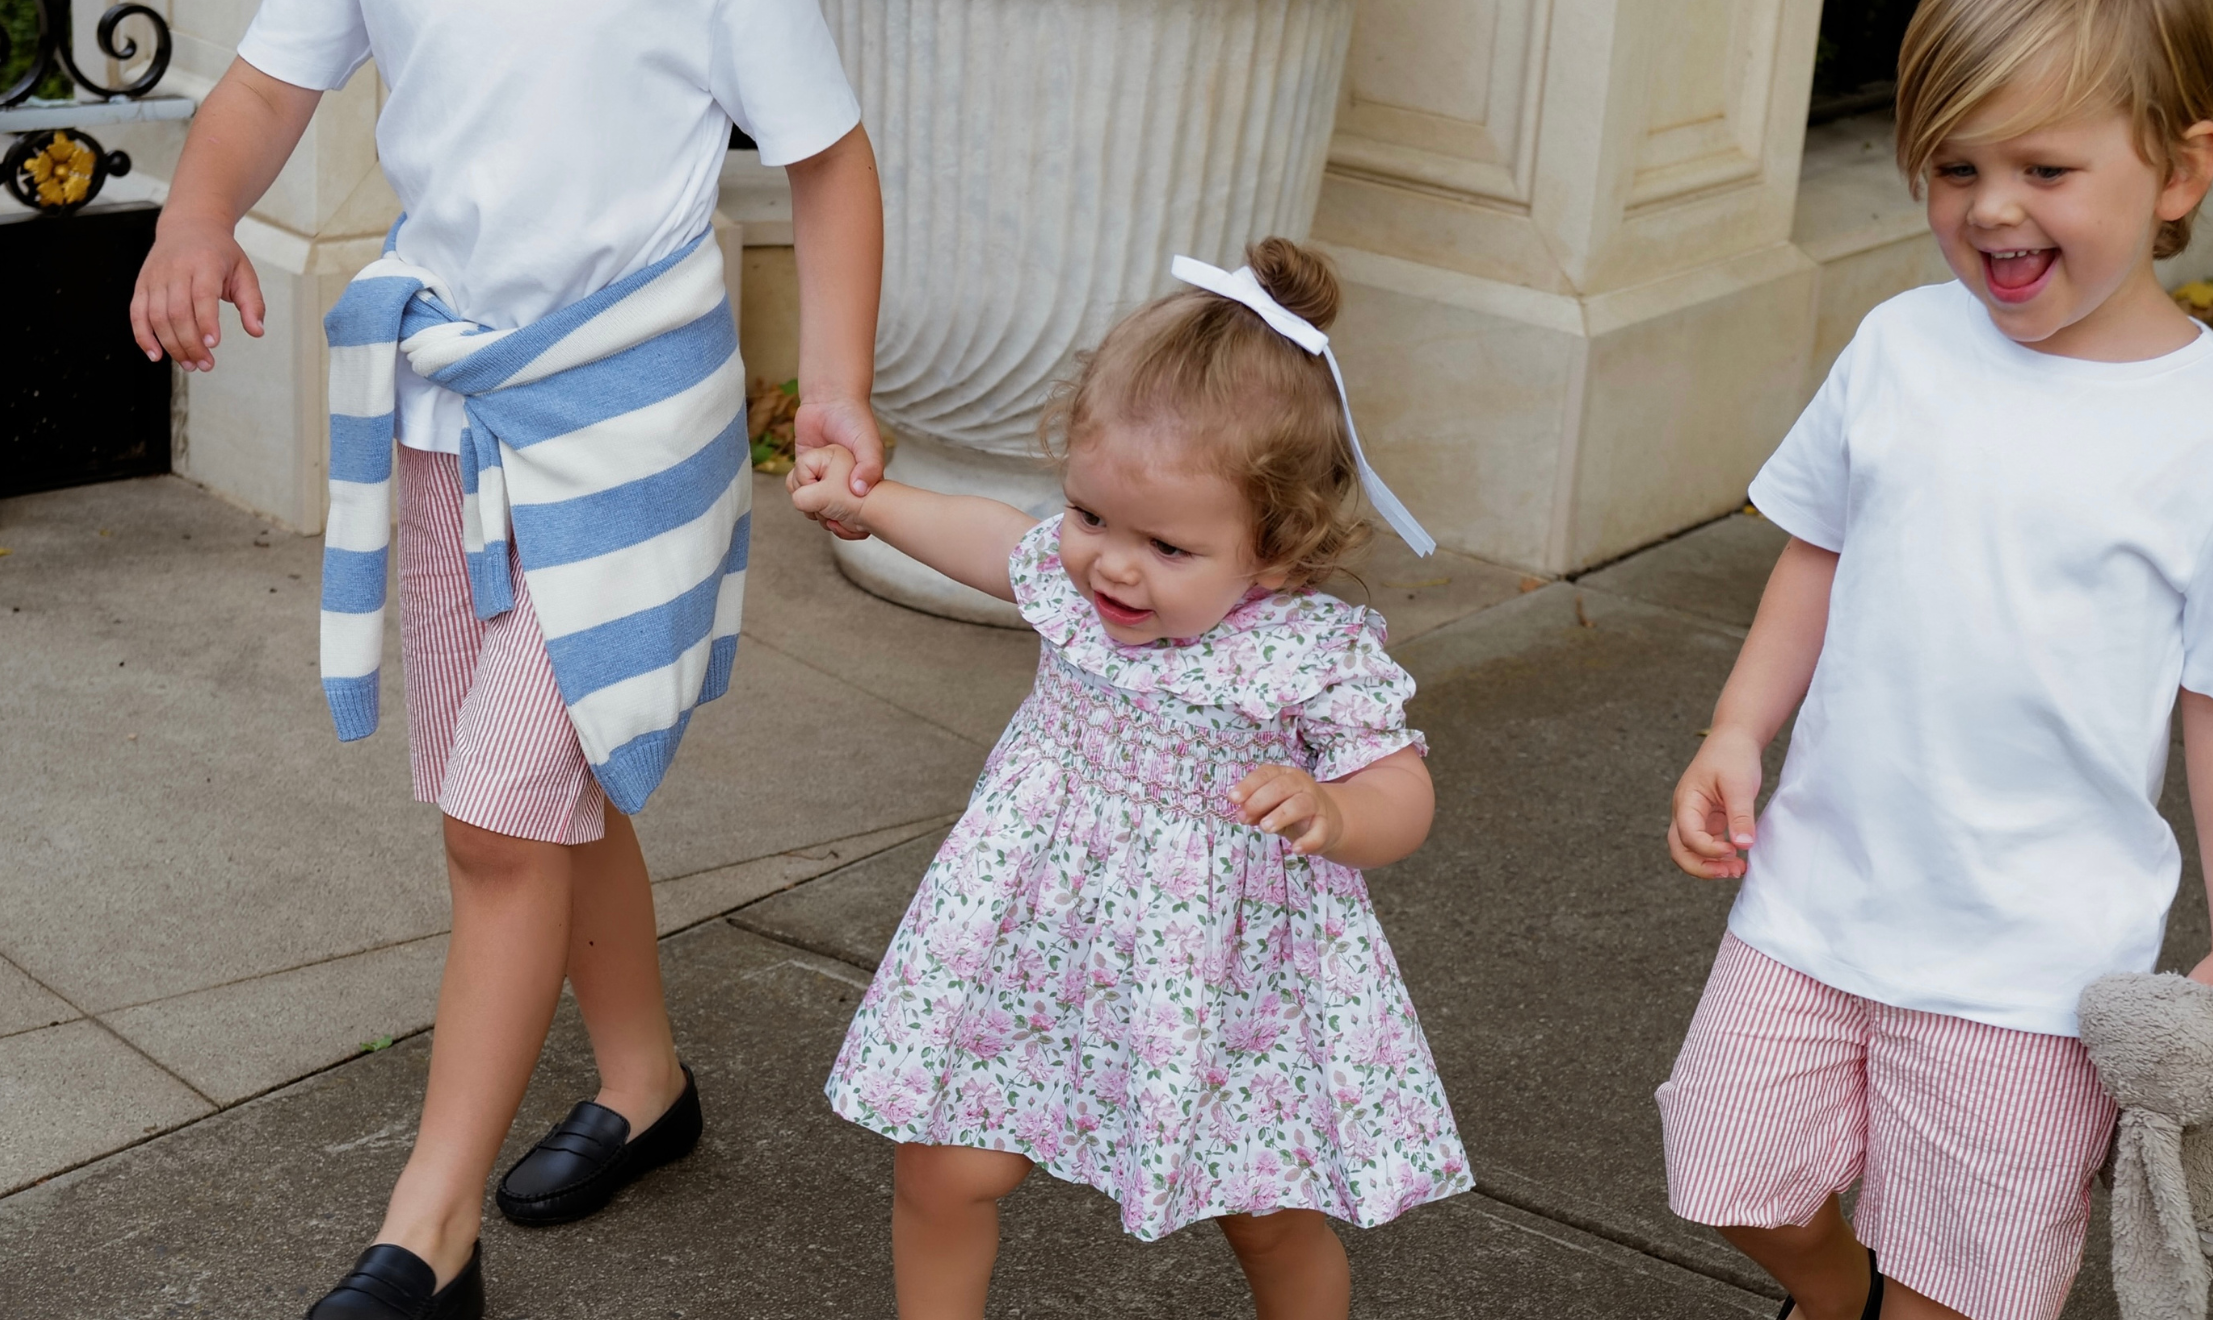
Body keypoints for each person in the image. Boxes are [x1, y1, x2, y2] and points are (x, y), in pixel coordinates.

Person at [126, 4, 884, 1317]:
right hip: (453, 412)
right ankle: (646, 1085)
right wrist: (195, 216)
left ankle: (430, 1231)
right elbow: (258, 91)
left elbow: (827, 156)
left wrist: (836, 388)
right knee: (547, 784)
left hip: (632, 416)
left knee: (500, 819)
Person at [1659, 1, 2213, 1317]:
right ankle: (1840, 1295)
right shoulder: (1900, 347)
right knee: (1735, 1179)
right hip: (1815, 901)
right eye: (1955, 166)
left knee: (1961, 1284)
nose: (1991, 208)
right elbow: (1818, 551)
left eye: (2045, 168)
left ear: (2181, 168)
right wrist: (1736, 728)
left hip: (2032, 964)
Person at [789, 238, 1471, 1320]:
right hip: (1027, 934)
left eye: (1167, 547)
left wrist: (1336, 811)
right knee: (942, 1165)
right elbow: (992, 539)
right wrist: (872, 505)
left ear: (1276, 549)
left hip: (1224, 971)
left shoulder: (1305, 651)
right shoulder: (1072, 586)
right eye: (1090, 515)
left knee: (1267, 1209)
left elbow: (1402, 791)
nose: (1110, 562)